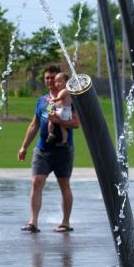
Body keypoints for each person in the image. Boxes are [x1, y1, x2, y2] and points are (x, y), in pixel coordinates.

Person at [18, 65, 80, 234]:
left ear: (60, 80)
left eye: (53, 78)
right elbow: (34, 125)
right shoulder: (42, 101)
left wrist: (58, 122)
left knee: (64, 184)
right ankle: (33, 222)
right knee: (36, 182)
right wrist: (24, 146)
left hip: (63, 150)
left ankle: (65, 222)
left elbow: (76, 123)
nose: (50, 81)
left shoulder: (68, 98)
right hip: (43, 150)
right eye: (47, 78)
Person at [45, 72, 72, 147]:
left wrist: (51, 100)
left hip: (63, 111)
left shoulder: (64, 91)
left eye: (59, 81)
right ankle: (64, 141)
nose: (57, 84)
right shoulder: (66, 92)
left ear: (66, 82)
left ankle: (50, 134)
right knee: (63, 127)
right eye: (56, 82)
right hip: (65, 112)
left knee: (50, 117)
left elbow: (58, 99)